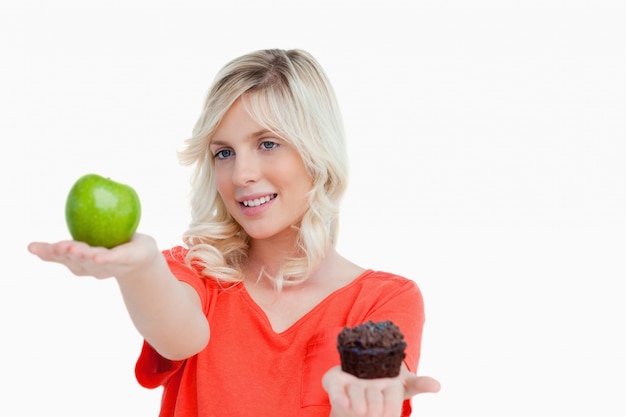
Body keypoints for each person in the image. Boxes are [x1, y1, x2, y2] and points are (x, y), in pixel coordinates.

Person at [28, 48, 440, 417]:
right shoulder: (196, 271)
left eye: (268, 144)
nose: (241, 175)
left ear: (317, 152)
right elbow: (179, 339)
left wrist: (355, 407)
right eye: (224, 153)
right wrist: (139, 268)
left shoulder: (386, 299)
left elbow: (376, 385)